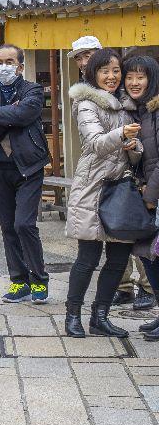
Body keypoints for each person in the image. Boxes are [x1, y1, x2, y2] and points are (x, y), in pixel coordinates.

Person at [63, 48, 140, 338]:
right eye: (104, 71)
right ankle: (73, 315)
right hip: (93, 186)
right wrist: (122, 136)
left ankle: (100, 316)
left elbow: (135, 153)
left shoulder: (128, 104)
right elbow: (95, 143)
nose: (112, 76)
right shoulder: (86, 103)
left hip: (121, 189)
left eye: (116, 71)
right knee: (88, 256)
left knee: (119, 257)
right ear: (93, 74)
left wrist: (135, 148)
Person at [0, 44, 51, 304]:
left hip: (29, 165)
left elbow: (26, 113)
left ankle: (39, 279)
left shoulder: (32, 89)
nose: (3, 66)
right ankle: (19, 281)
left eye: (9, 61)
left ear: (20, 65)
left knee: (24, 224)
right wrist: (7, 116)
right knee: (8, 226)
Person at [122, 55, 159, 339]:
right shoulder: (141, 111)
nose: (135, 82)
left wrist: (150, 196)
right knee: (149, 254)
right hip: (147, 191)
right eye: (130, 77)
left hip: (154, 194)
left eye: (141, 77)